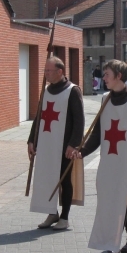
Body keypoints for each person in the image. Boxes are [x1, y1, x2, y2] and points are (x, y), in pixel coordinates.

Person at [74, 60, 127, 253]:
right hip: (108, 162)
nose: (103, 78)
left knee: (117, 202)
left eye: (107, 74)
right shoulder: (105, 99)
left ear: (118, 77)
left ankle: (112, 246)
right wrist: (83, 151)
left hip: (126, 163)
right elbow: (98, 132)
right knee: (111, 201)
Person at [28, 56, 85, 231]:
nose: (46, 74)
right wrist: (32, 140)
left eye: (48, 71)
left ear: (60, 72)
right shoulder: (46, 90)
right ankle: (51, 212)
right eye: (45, 70)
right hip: (46, 143)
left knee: (64, 180)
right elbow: (39, 117)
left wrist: (74, 144)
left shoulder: (73, 91)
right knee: (47, 177)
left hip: (64, 145)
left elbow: (79, 120)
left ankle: (65, 217)